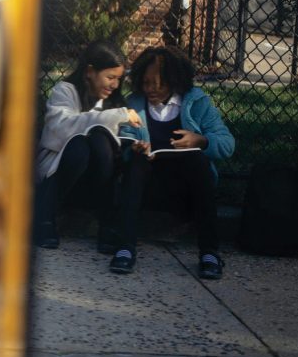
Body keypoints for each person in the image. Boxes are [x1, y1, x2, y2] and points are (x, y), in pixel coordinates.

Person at [109, 46, 235, 279]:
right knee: (136, 164)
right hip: (147, 185)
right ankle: (125, 246)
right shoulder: (135, 103)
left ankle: (209, 252)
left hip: (185, 188)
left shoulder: (196, 103)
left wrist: (201, 141)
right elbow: (124, 138)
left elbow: (227, 144)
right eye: (145, 82)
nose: (150, 89)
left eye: (158, 83)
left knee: (198, 160)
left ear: (175, 80)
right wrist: (134, 147)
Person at [33, 40, 142, 250]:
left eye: (118, 79)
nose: (115, 85)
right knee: (80, 145)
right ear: (90, 71)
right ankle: (45, 218)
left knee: (100, 138)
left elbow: (123, 141)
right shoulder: (65, 92)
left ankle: (107, 224)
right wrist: (116, 116)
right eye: (110, 77)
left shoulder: (115, 101)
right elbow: (62, 128)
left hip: (97, 182)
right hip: (60, 176)